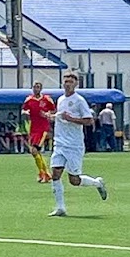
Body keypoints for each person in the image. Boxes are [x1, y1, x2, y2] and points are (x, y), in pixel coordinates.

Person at [47, 72, 108, 217]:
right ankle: (60, 207)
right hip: (59, 143)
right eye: (65, 81)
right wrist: (52, 117)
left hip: (74, 145)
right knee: (55, 174)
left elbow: (89, 120)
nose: (67, 84)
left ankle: (97, 183)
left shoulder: (79, 100)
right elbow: (61, 117)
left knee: (74, 180)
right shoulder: (61, 99)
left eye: (70, 81)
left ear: (76, 84)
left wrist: (71, 119)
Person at [21, 82, 55, 182]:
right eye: (34, 87)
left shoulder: (46, 99)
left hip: (43, 128)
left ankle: (44, 173)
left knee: (35, 150)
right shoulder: (29, 99)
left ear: (41, 89)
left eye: (38, 87)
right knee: (34, 152)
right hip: (33, 128)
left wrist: (47, 114)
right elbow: (23, 110)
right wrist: (26, 112)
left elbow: (53, 110)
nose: (36, 89)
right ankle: (44, 173)